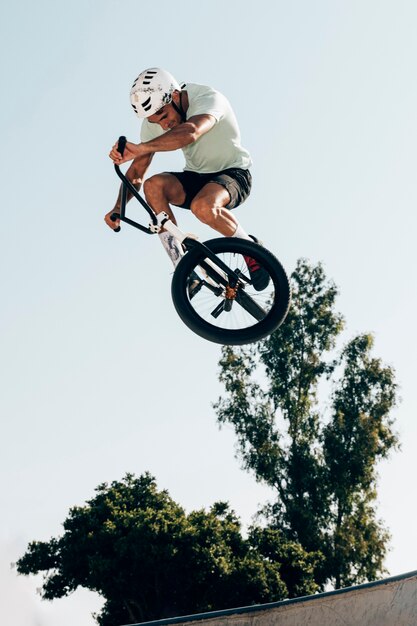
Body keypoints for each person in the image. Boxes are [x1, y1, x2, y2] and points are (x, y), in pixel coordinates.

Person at [105, 67, 269, 291]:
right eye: (156, 122)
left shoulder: (208, 99)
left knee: (202, 207)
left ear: (174, 96)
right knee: (153, 186)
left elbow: (191, 131)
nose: (163, 125)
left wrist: (141, 147)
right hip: (196, 177)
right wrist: (118, 208)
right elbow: (138, 171)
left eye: (164, 116)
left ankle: (251, 249)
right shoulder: (155, 121)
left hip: (233, 173)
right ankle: (184, 269)